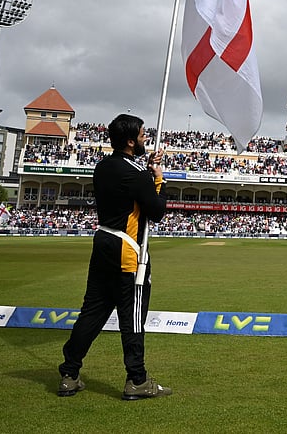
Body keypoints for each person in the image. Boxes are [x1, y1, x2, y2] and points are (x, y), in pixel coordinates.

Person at [58, 114, 172, 401]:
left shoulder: (103, 167)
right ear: (131, 141)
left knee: (92, 313)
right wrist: (158, 180)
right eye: (143, 136)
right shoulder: (137, 175)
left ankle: (69, 374)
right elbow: (156, 211)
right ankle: (137, 380)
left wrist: (145, 170)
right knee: (132, 319)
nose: (146, 139)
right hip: (127, 252)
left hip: (103, 243)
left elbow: (126, 189)